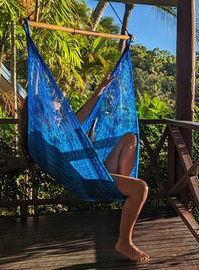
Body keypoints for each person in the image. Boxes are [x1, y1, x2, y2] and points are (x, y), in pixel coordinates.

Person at [75, 74, 149, 262]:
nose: (61, 106)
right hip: (88, 179)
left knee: (130, 137)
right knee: (141, 188)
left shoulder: (67, 125)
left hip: (98, 171)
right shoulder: (59, 131)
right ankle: (124, 242)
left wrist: (101, 87)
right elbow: (83, 115)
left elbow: (84, 114)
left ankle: (123, 187)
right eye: (56, 104)